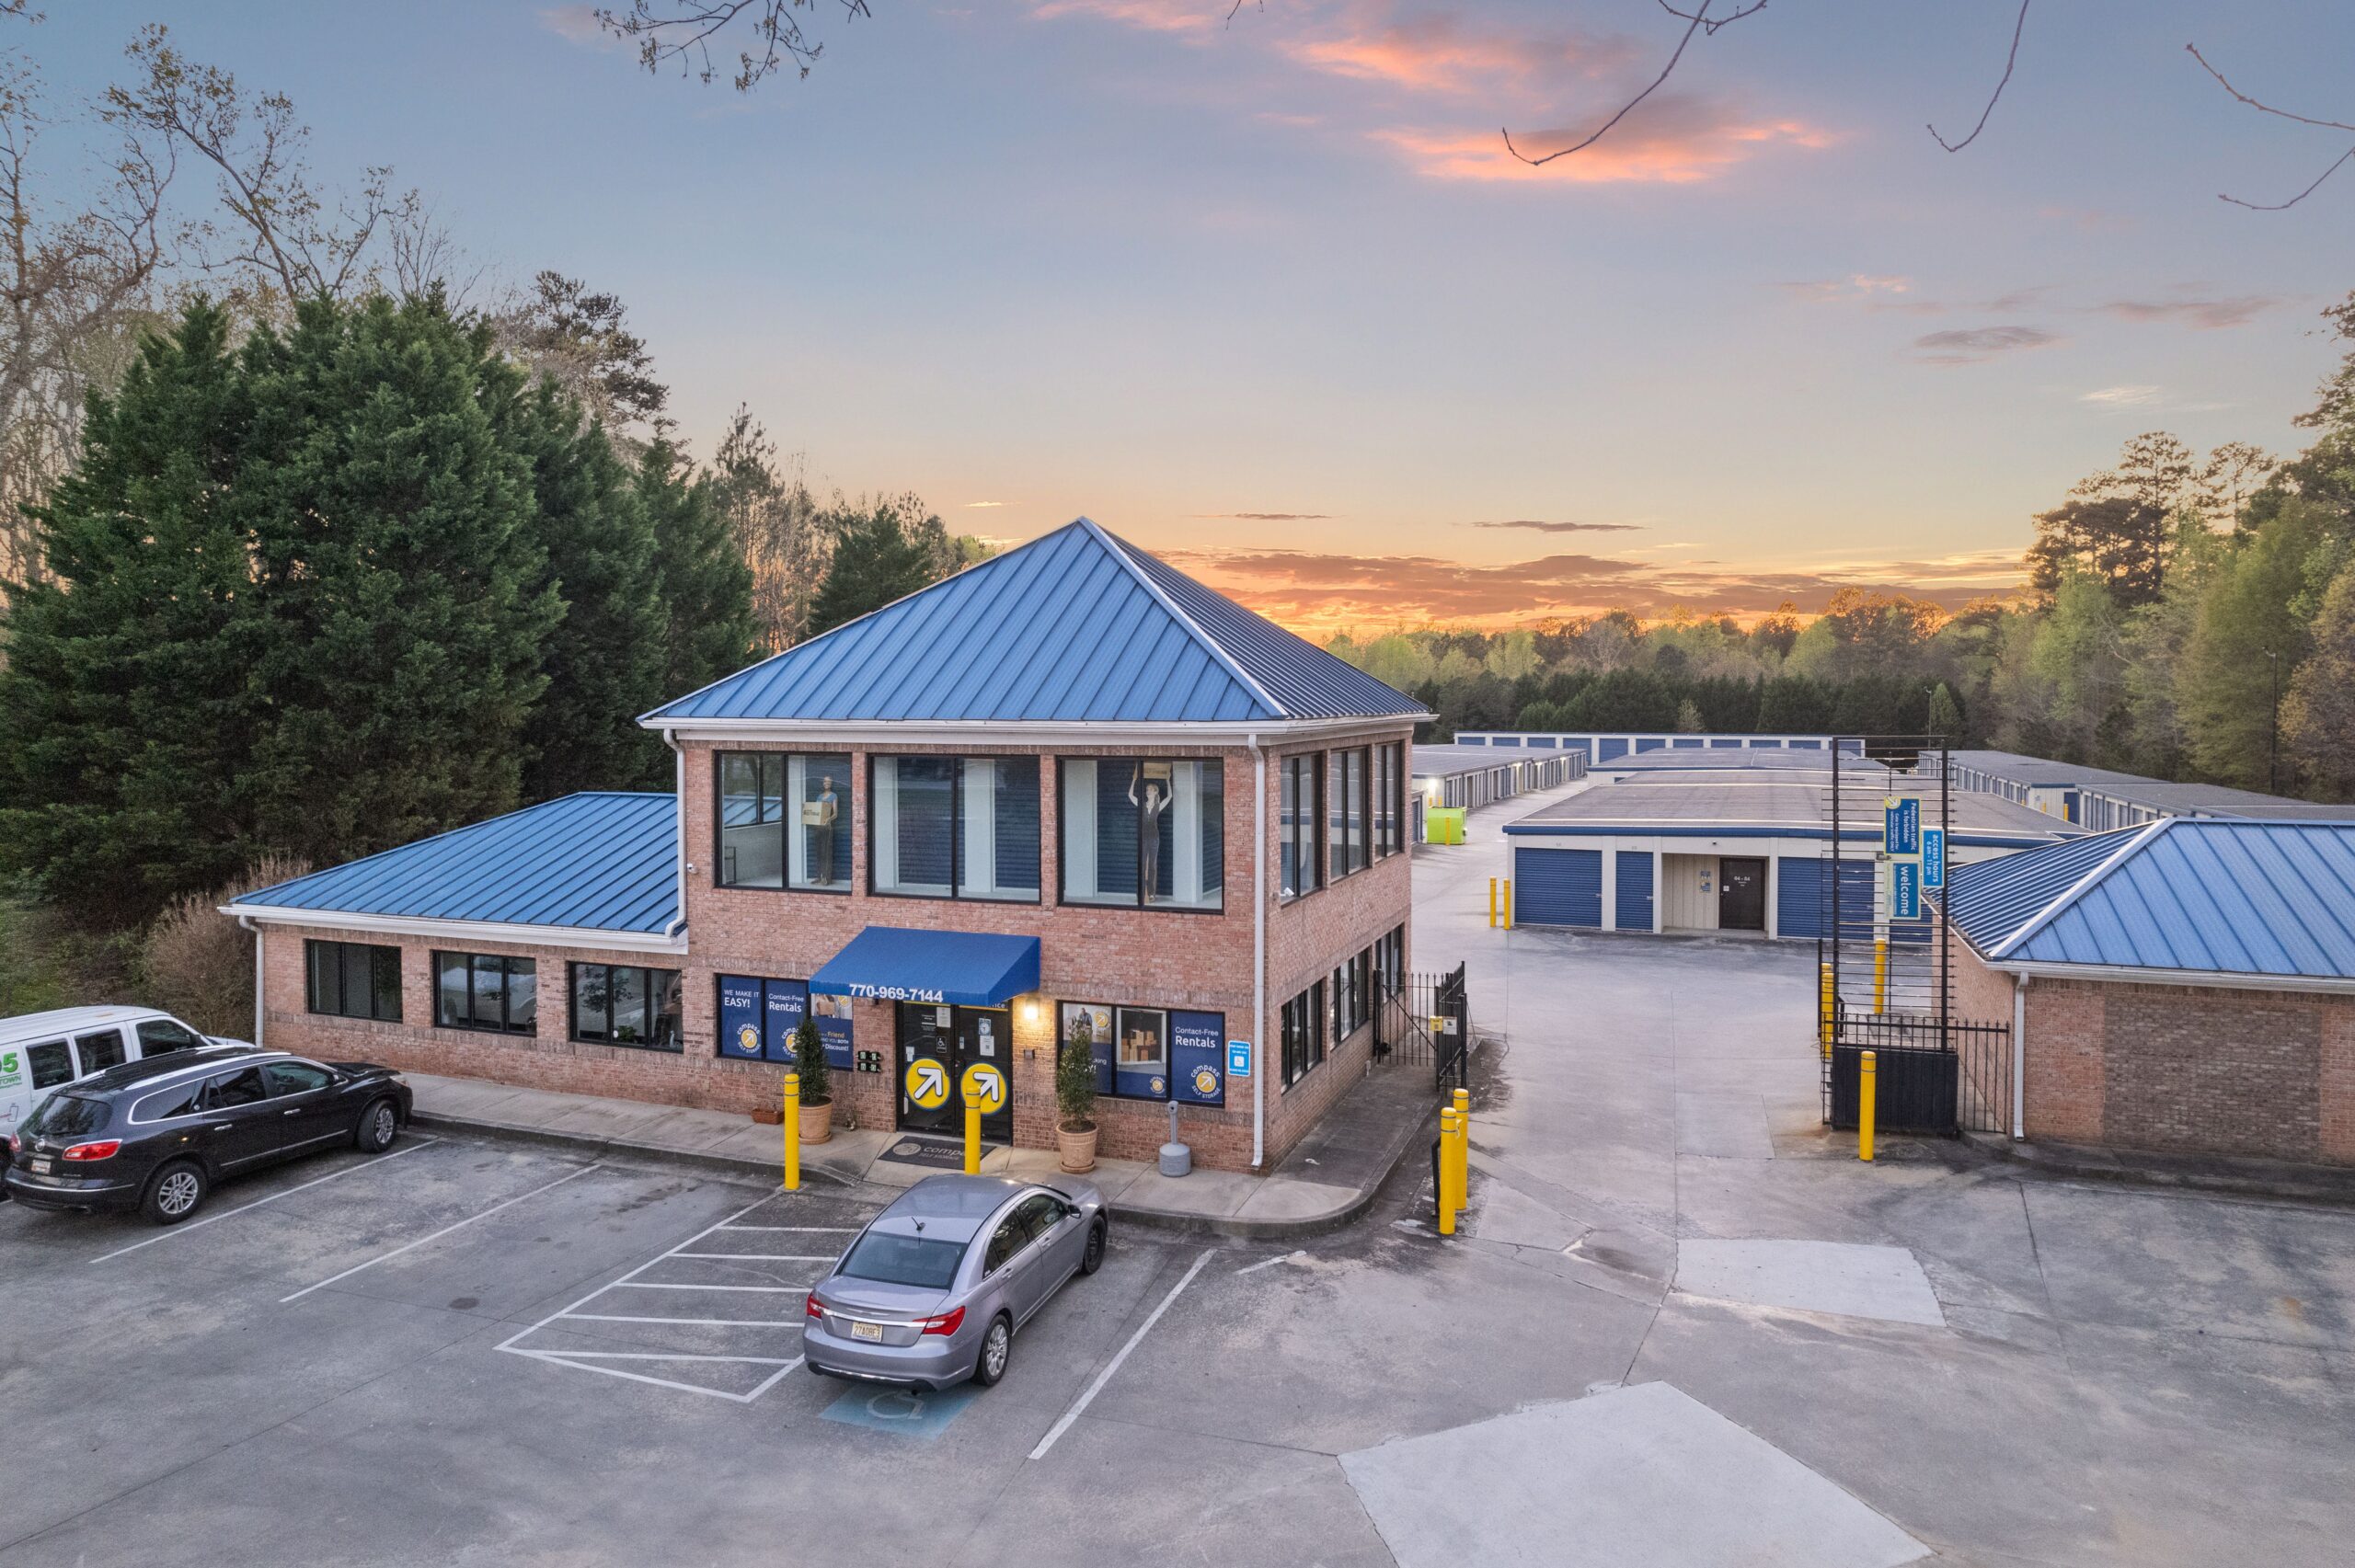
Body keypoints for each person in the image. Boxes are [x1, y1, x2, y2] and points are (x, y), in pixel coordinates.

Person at [1129, 764, 1170, 902]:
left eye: (1150, 790)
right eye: (1147, 790)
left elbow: (1170, 796)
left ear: (1155, 792)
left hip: (1154, 839)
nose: (1147, 792)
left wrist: (1168, 780)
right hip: (1143, 838)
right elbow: (1130, 795)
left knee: (1152, 865)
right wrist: (1134, 780)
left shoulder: (1158, 806)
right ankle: (1140, 893)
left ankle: (1151, 893)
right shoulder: (1141, 804)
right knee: (1142, 865)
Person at [810, 774, 840, 885]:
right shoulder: (819, 797)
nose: (827, 783)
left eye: (829, 782)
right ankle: (818, 875)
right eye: (825, 782)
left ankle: (826, 878)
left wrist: (829, 819)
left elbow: (835, 813)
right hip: (818, 827)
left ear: (831, 783)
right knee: (818, 852)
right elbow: (816, 811)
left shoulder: (834, 796)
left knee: (826, 852)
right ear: (823, 783)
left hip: (827, 827)